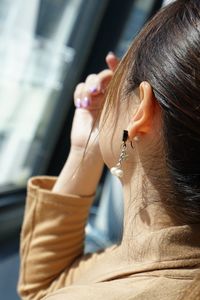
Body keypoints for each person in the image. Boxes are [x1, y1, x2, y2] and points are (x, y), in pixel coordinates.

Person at [18, 0, 200, 299]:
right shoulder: (175, 252)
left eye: (121, 79)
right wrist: (85, 150)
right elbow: (46, 289)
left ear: (140, 110)